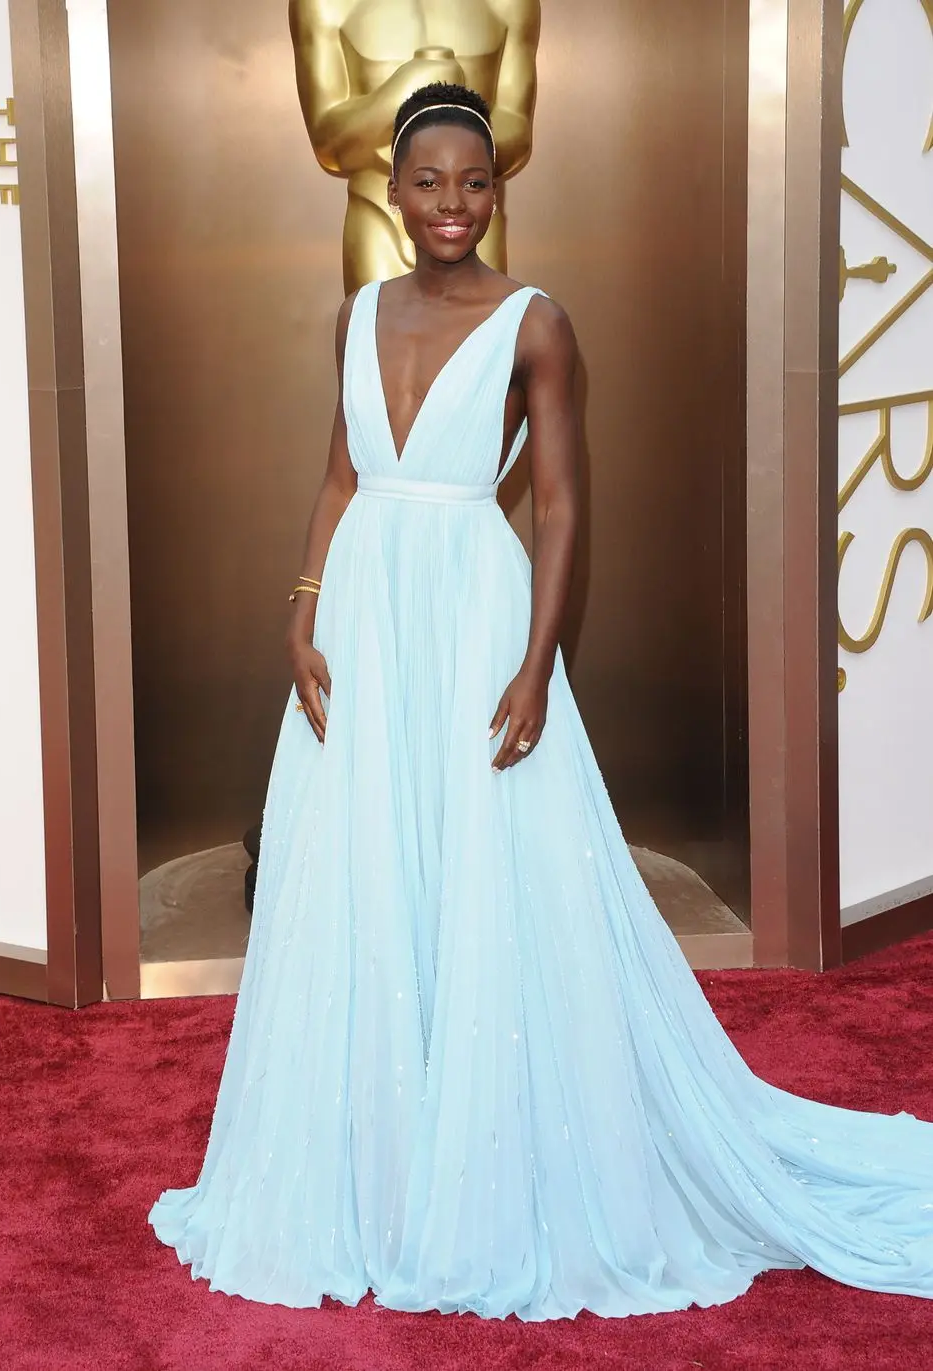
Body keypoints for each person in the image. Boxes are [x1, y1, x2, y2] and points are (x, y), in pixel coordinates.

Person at [149, 83, 933, 1321]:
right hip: (364, 619)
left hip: (472, 618)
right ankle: (375, 1167)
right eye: (428, 182)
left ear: (495, 192)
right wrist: (302, 604)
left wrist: (535, 659)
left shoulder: (537, 325)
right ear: (389, 192)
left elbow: (562, 506)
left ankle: (481, 1168)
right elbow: (342, 475)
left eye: (475, 182)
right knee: (363, 872)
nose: (452, 203)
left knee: (485, 870)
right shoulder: (355, 314)